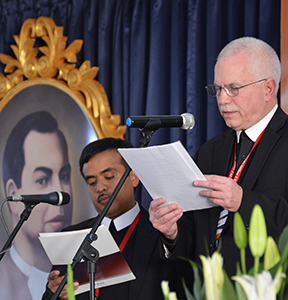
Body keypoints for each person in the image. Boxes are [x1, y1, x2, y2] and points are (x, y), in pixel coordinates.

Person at [149, 37, 288, 286]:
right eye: (217, 89)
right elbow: (199, 235)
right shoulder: (210, 151)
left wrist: (244, 201)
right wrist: (172, 232)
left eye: (234, 88)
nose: (222, 99)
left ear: (268, 89)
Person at [42, 138, 180, 300]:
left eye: (109, 177)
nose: (100, 188)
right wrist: (55, 293)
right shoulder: (71, 237)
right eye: (92, 182)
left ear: (134, 177)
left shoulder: (164, 234)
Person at [0, 111, 73, 300]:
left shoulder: (89, 271)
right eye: (42, 179)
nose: (59, 193)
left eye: (64, 176)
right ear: (13, 193)